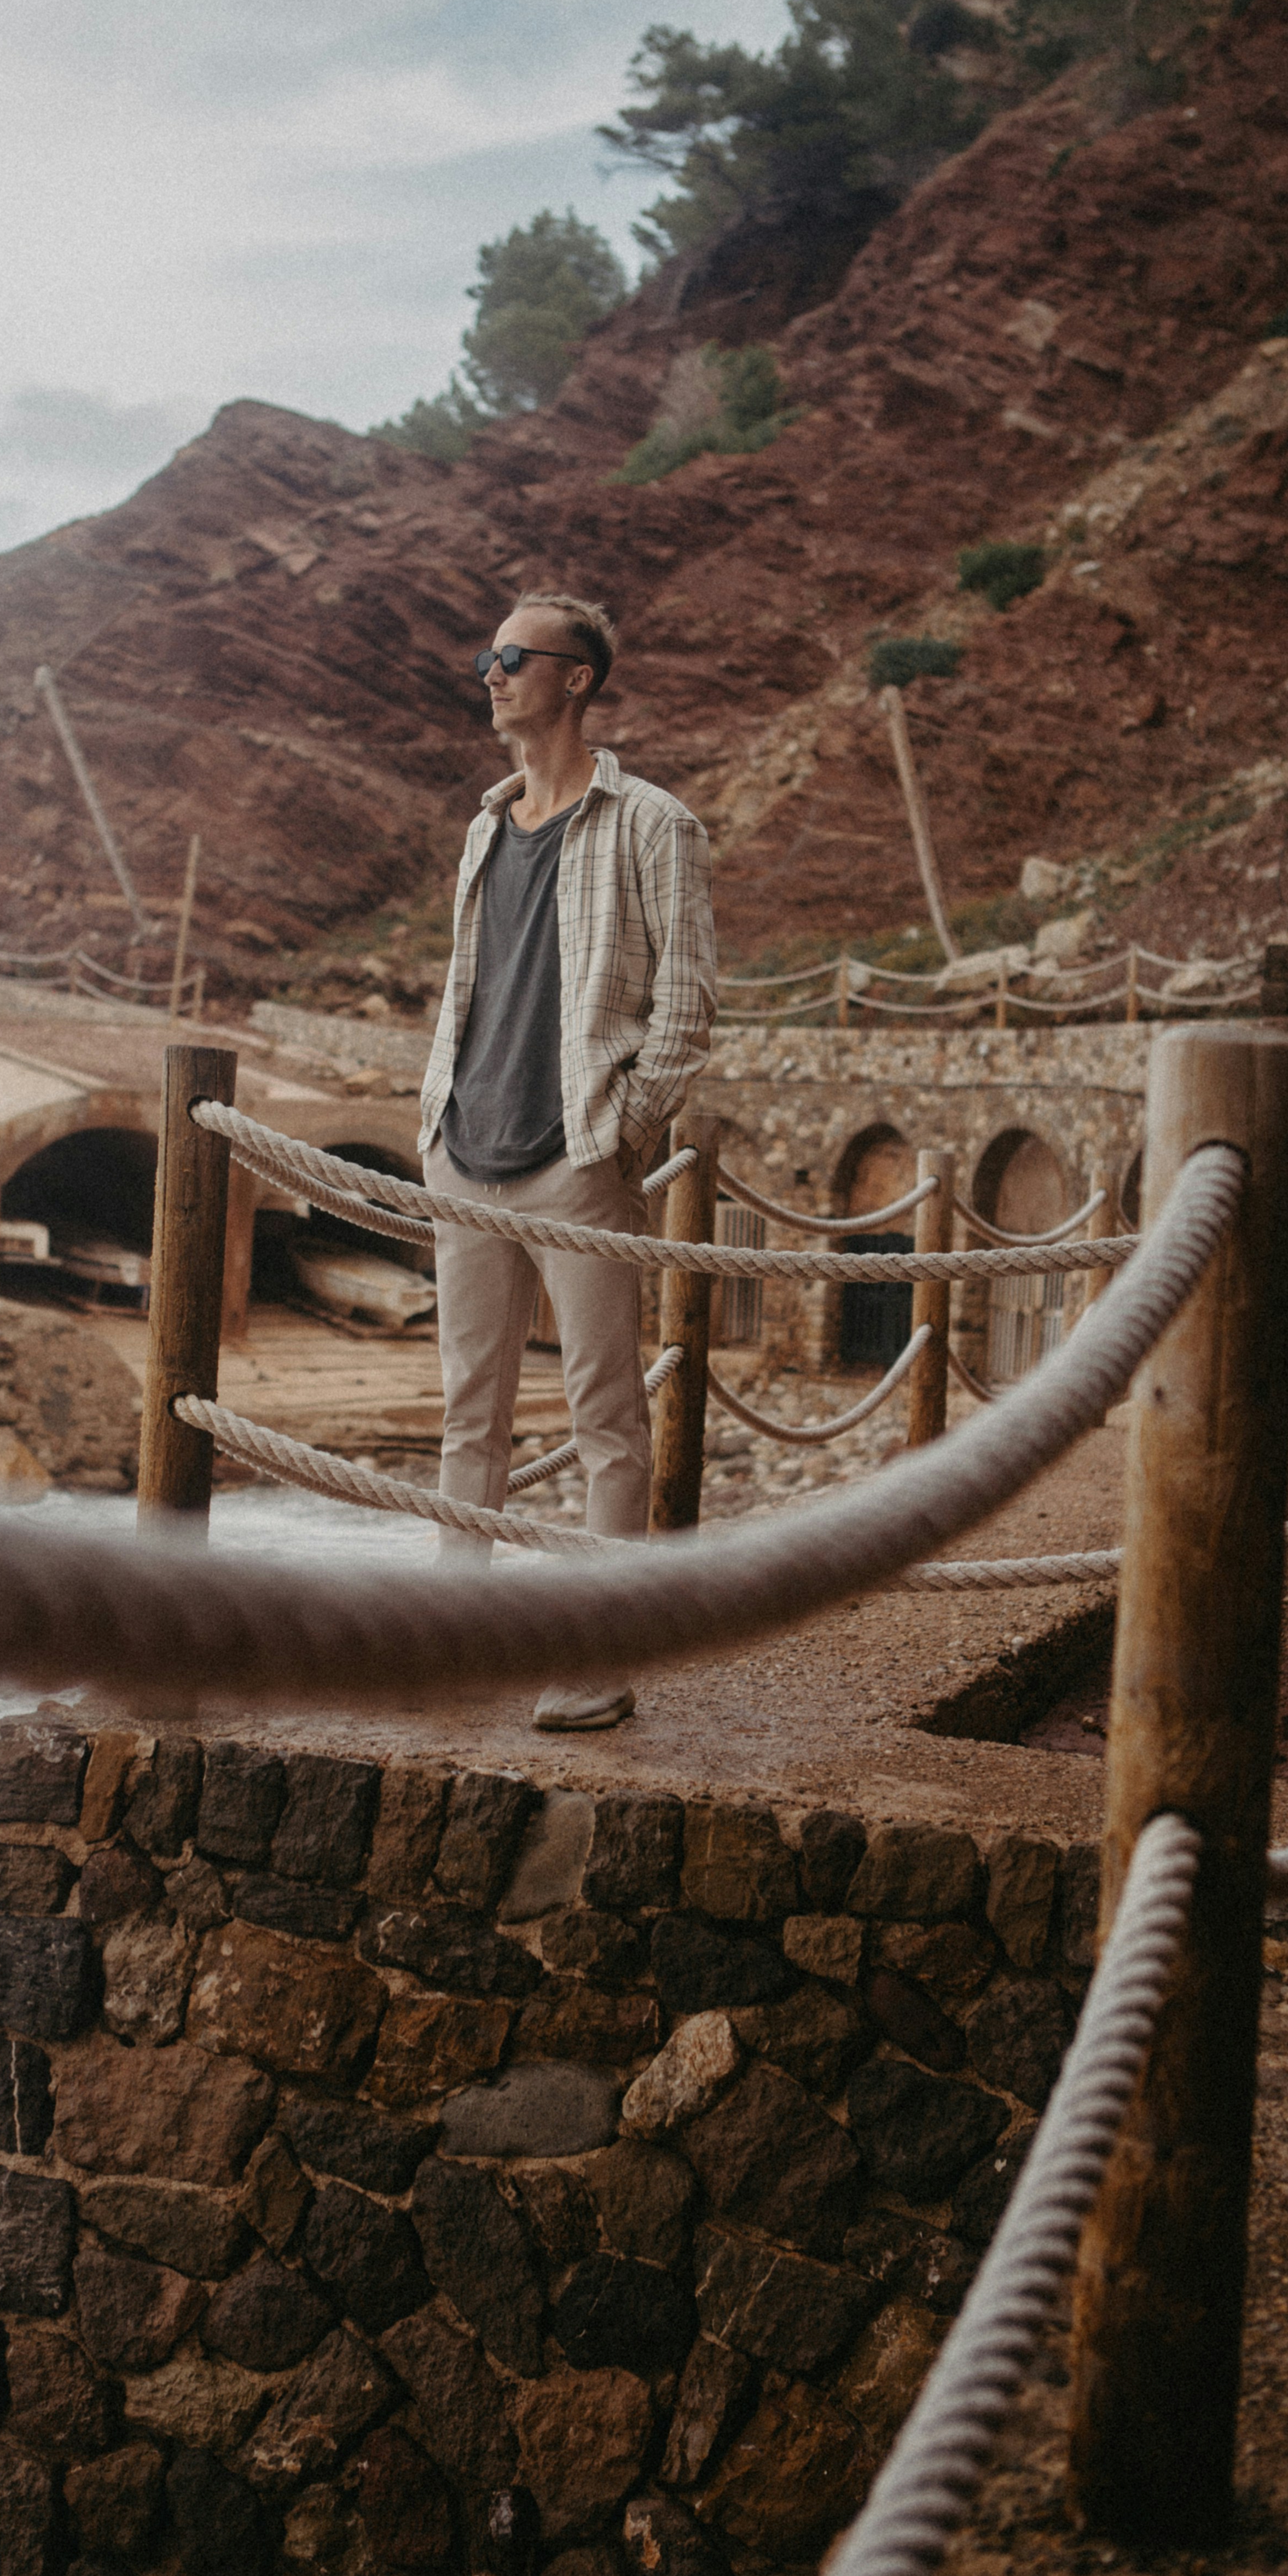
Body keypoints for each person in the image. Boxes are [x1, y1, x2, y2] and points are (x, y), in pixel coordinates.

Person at [419, 591, 716, 1731]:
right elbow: (467, 987)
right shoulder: (485, 827)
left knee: (605, 1421)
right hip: (465, 1155)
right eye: (488, 656)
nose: (490, 674)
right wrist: (437, 1118)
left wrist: (618, 1136)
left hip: (575, 1159)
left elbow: (686, 1011)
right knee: (467, 1418)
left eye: (512, 658)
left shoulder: (653, 824)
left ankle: (594, 1657)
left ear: (576, 679)